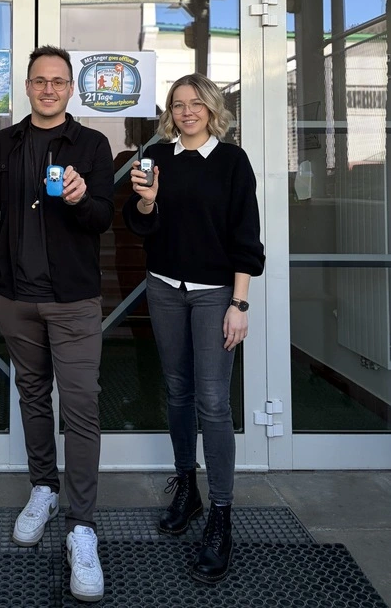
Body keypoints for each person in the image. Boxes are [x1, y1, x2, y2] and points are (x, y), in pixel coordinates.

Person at [0, 45, 114, 603]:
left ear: (71, 88)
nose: (48, 89)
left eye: (58, 81)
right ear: (28, 87)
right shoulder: (3, 144)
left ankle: (82, 527)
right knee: (32, 394)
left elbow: (102, 217)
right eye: (39, 80)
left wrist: (80, 199)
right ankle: (43, 489)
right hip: (14, 296)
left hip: (73, 299)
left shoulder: (92, 145)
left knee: (80, 408)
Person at [123, 74, 264, 584]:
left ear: (211, 108)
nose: (186, 112)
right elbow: (140, 225)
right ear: (170, 112)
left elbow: (246, 236)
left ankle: (221, 514)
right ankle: (188, 486)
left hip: (214, 295)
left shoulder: (232, 161)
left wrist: (239, 303)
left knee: (214, 403)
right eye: (178, 104)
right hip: (164, 287)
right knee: (177, 391)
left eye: (195, 103)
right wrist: (146, 200)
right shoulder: (157, 157)